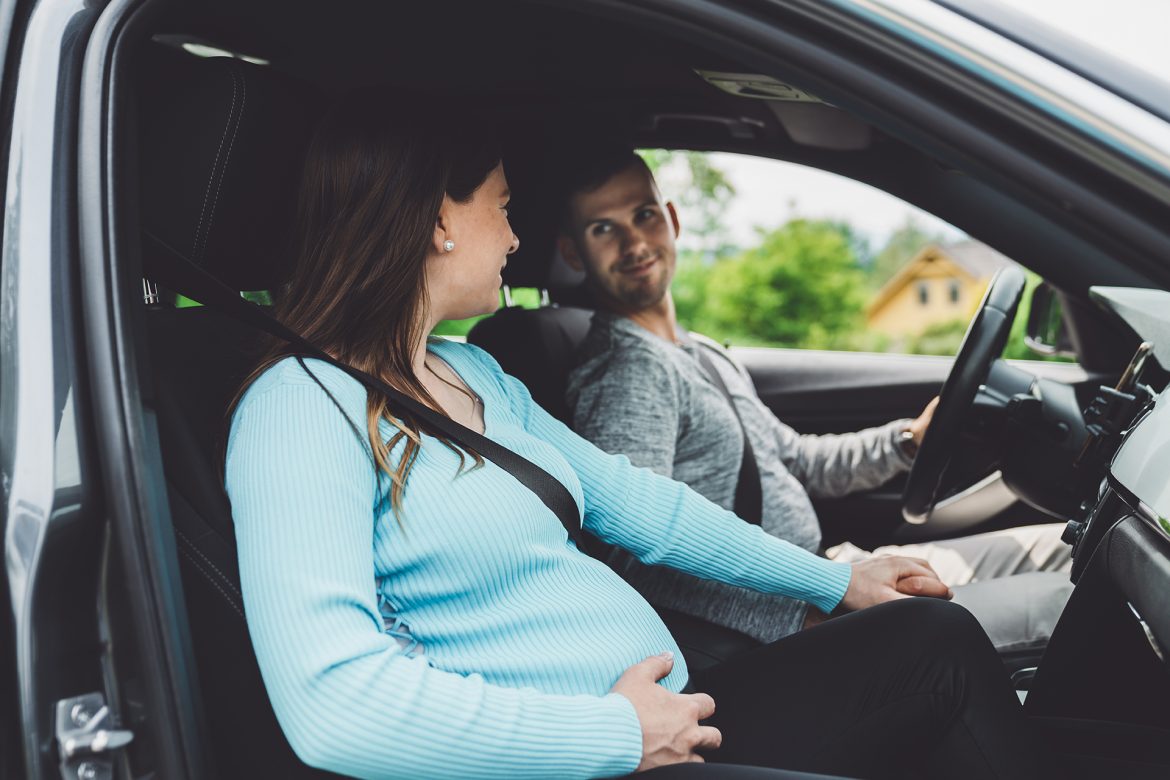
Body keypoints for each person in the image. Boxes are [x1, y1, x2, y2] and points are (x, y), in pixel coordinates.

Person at [224, 95, 1040, 780]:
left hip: (670, 718)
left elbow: (648, 507)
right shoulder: (297, 408)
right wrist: (614, 735)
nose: (516, 238)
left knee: (934, 637)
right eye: (504, 208)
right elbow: (332, 706)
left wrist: (836, 584)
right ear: (441, 219)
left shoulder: (469, 374)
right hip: (589, 756)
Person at [561, 145, 1073, 651]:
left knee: (1073, 549)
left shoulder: (699, 353)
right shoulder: (626, 371)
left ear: (671, 219)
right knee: (1071, 602)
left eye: (644, 215)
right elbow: (630, 555)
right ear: (571, 250)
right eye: (603, 228)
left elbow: (795, 460)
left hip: (830, 573)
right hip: (797, 619)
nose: (634, 243)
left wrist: (908, 441)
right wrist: (801, 612)